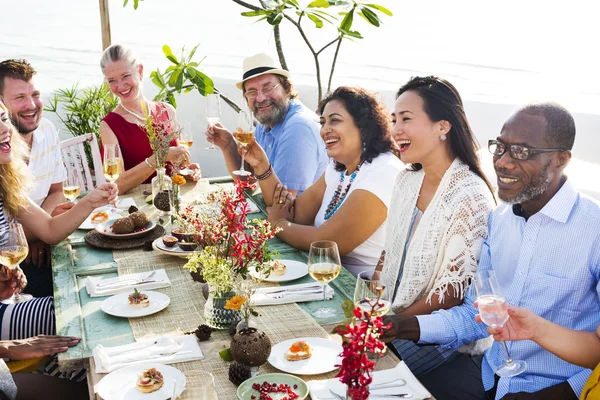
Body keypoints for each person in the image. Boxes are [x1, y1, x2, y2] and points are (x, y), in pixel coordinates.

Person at [381, 102, 600, 400]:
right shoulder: (498, 221)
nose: (502, 162)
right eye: (500, 147)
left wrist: (564, 393)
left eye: (522, 152)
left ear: (561, 160)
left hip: (558, 390)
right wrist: (403, 326)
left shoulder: (594, 230)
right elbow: (474, 317)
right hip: (488, 378)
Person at [377, 76, 496, 377]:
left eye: (406, 119)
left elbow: (450, 294)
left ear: (442, 126)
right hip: (392, 315)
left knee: (352, 371)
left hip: (436, 340)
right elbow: (389, 254)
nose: (396, 130)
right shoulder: (407, 179)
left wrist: (392, 323)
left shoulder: (470, 195)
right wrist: (374, 307)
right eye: (394, 120)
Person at [0, 101, 117, 397]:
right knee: (84, 319)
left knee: (91, 308)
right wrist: (8, 348)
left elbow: (50, 230)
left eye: (3, 120)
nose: (4, 131)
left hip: (8, 304)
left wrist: (89, 202)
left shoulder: (5, 182)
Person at [240, 86, 402, 276]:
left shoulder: (383, 171)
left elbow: (326, 244)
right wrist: (262, 166)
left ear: (364, 126)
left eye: (335, 121)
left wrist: (277, 224)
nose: (325, 130)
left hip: (361, 289)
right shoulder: (338, 168)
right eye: (323, 122)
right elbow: (295, 215)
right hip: (325, 273)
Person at [206, 52, 328, 196]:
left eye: (268, 88)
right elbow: (249, 180)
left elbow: (284, 202)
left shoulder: (299, 127)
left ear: (287, 87)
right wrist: (228, 145)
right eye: (252, 91)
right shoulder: (267, 123)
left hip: (300, 217)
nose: (260, 98)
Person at [0, 59, 71, 297]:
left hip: (43, 243)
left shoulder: (47, 130)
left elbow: (57, 191)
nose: (31, 105)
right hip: (13, 263)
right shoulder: (4, 152)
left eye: (36, 94)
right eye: (19, 97)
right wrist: (38, 234)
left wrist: (42, 232)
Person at [99, 44, 201, 194]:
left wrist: (187, 171)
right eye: (112, 80)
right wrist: (159, 158)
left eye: (125, 76)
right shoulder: (109, 125)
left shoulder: (167, 111)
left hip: (172, 201)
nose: (120, 86)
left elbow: (176, 164)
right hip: (136, 207)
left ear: (139, 71)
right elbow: (117, 186)